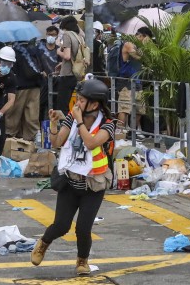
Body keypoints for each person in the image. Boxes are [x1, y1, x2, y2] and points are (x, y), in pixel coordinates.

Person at [32, 78, 115, 276]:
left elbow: (91, 143)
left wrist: (79, 122)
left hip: (94, 184)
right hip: (71, 180)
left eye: (81, 100)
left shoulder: (107, 124)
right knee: (61, 225)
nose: (77, 103)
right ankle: (43, 243)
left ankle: (82, 261)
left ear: (94, 104)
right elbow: (57, 141)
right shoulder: (71, 117)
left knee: (83, 228)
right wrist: (54, 125)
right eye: (77, 99)